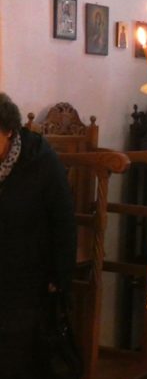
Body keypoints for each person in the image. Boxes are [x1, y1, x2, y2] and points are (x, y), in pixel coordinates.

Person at [0, 92, 77, 377]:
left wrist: (59, 275)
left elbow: (63, 219)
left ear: (9, 130)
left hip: (28, 270)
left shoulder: (40, 159)